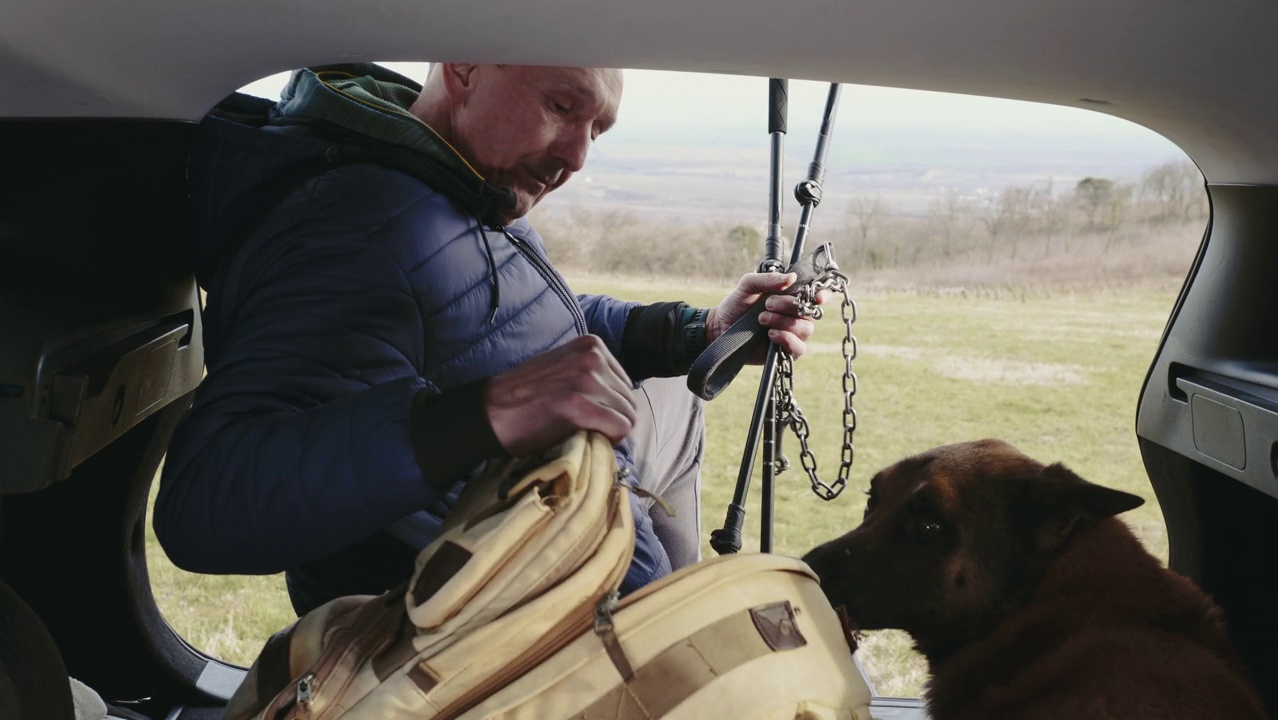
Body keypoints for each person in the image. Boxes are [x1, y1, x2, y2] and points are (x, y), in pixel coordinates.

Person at [155, 62, 824, 616]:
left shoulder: (451, 182)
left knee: (676, 401)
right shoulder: (358, 227)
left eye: (597, 129)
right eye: (563, 106)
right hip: (486, 647)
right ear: (466, 69)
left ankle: (668, 607)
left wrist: (695, 332)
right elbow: (205, 503)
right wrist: (488, 413)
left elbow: (512, 325)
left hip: (566, 577)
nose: (579, 155)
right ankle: (669, 620)